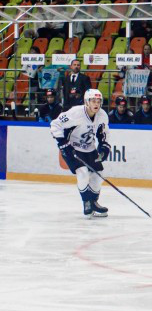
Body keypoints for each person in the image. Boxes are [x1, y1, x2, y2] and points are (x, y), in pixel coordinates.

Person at [49, 88, 111, 218]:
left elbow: (104, 133)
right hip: (72, 148)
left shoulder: (102, 115)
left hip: (89, 148)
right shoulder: (75, 113)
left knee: (98, 175)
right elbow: (55, 125)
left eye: (98, 101)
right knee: (82, 172)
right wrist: (63, 144)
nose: (96, 104)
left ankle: (94, 202)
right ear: (86, 101)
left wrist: (104, 147)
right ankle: (86, 202)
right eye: (93, 100)